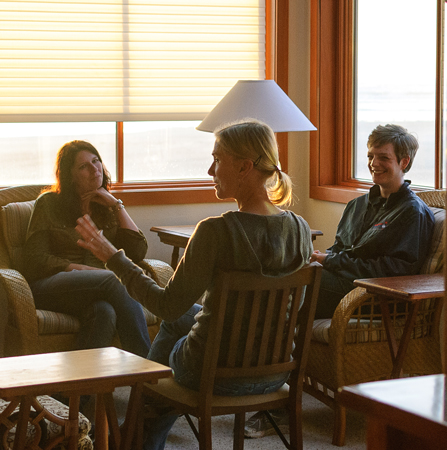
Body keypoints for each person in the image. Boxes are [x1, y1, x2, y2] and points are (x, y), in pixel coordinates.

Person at [75, 119, 314, 450]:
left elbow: (166, 306)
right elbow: (294, 307)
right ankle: (139, 434)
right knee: (188, 317)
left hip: (210, 373)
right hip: (274, 374)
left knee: (174, 322)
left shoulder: (215, 231)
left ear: (245, 166)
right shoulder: (301, 229)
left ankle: (138, 435)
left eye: (218, 159)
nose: (209, 169)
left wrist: (114, 258)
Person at [244, 123, 436, 438]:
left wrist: (331, 261)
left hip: (371, 299)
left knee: (286, 296)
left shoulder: (412, 213)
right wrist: (321, 258)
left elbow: (396, 270)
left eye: (383, 158)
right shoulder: (357, 205)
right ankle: (261, 389)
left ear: (404, 162)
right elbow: (339, 249)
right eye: (371, 155)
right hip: (336, 284)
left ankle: (272, 403)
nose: (374, 163)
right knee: (274, 283)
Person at [23, 140, 151, 358]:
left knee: (104, 312)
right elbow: (34, 259)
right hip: (50, 285)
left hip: (95, 289)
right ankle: (149, 372)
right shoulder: (49, 204)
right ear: (70, 175)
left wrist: (116, 205)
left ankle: (79, 390)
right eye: (84, 166)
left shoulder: (105, 206)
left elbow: (138, 251)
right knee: (113, 279)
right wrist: (81, 269)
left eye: (96, 161)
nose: (94, 169)